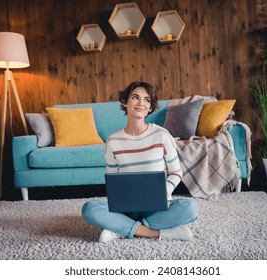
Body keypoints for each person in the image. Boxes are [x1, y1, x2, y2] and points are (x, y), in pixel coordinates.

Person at [82, 81, 198, 242]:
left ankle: (123, 229)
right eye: (135, 97)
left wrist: (165, 191)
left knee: (190, 208)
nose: (141, 103)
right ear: (125, 102)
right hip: (126, 209)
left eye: (147, 100)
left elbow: (176, 172)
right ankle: (156, 232)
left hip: (157, 207)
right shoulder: (113, 141)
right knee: (89, 209)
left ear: (150, 107)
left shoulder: (162, 135)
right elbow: (113, 181)